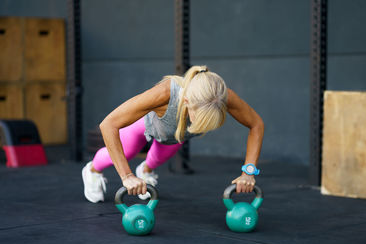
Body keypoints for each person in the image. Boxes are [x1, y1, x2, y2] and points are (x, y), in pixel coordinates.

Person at [82, 65, 264, 202]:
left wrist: (248, 172)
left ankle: (145, 171)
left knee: (157, 160)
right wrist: (127, 176)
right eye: (197, 119)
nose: (199, 125)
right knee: (128, 151)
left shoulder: (221, 96)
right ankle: (92, 171)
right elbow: (108, 124)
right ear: (186, 101)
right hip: (144, 125)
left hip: (174, 136)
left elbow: (256, 124)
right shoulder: (165, 93)